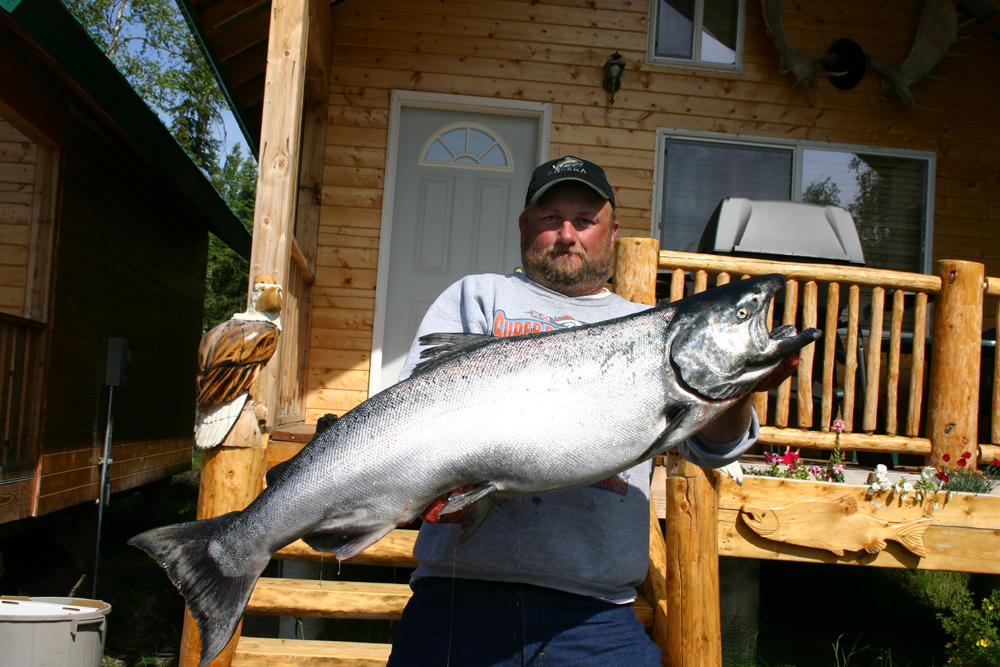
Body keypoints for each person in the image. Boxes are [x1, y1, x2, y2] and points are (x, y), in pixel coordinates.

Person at [386, 156, 796, 666]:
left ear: (612, 231)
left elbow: (713, 449)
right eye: (550, 218)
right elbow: (406, 425)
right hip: (458, 601)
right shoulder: (478, 296)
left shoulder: (650, 326)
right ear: (524, 227)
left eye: (585, 220)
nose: (567, 234)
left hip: (596, 618)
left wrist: (739, 389)